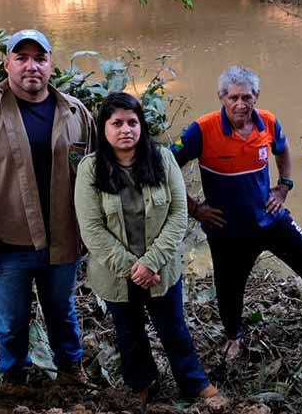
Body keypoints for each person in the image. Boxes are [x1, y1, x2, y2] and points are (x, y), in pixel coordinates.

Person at [171, 66, 302, 361]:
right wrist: (196, 209)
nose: (241, 104)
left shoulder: (268, 122)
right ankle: (234, 334)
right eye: (233, 97)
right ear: (221, 98)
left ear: (256, 96)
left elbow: (283, 149)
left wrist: (284, 185)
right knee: (228, 287)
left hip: (270, 218)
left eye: (247, 97)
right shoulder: (202, 130)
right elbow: (166, 168)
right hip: (228, 229)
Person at [0, 29, 93, 384]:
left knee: (63, 312)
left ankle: (72, 371)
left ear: (50, 65)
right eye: (22, 58)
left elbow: (96, 177)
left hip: (62, 241)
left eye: (40, 59)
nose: (32, 67)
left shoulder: (75, 111)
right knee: (11, 322)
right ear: (7, 64)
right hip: (6, 245)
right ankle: (14, 379)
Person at [74, 92, 226, 408]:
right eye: (116, 123)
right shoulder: (90, 169)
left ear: (141, 125)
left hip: (162, 271)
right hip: (116, 274)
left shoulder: (163, 159)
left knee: (174, 331)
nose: (125, 129)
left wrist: (151, 263)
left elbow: (178, 214)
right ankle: (141, 384)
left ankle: (194, 382)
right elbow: (92, 230)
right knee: (130, 335)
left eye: (132, 122)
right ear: (104, 128)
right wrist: (134, 268)